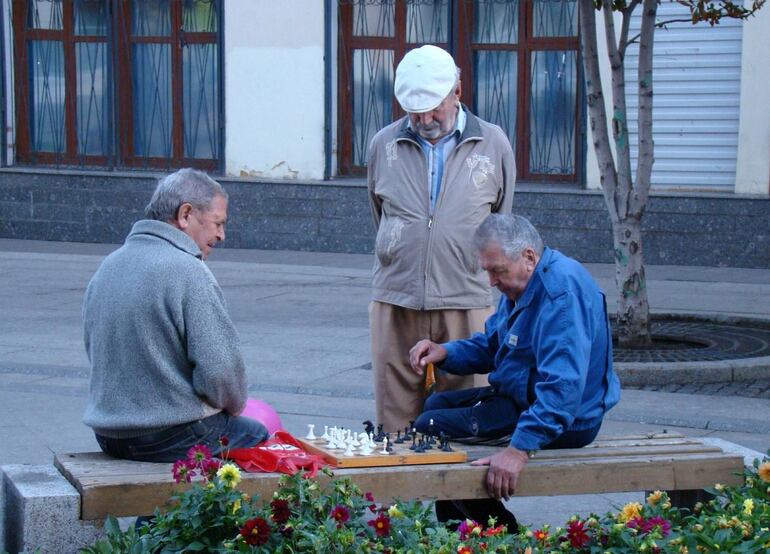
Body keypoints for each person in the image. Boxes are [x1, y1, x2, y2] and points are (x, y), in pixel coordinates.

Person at [409, 214, 621, 528]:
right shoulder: (522, 284)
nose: (491, 282)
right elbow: (495, 345)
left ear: (529, 257)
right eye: (487, 271)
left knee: (431, 425)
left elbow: (562, 389)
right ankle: (458, 531)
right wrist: (444, 352)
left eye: (497, 271)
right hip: (522, 398)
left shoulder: (560, 294)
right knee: (435, 407)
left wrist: (519, 450)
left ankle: (503, 534)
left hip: (568, 419)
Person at [368, 45, 516, 433]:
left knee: (468, 415)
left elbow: (501, 220)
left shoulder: (493, 143)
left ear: (458, 91)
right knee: (393, 417)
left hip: (466, 296)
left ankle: (459, 497)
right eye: (414, 110)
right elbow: (380, 214)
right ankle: (399, 492)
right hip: (396, 296)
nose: (424, 119)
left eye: (434, 107)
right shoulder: (383, 145)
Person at [82, 168, 268, 462]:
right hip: (167, 435)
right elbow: (220, 372)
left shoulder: (109, 266)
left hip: (108, 434)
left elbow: (94, 348)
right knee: (256, 436)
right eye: (217, 223)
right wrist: (232, 406)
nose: (221, 234)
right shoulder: (189, 271)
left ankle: (156, 510)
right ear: (185, 215)